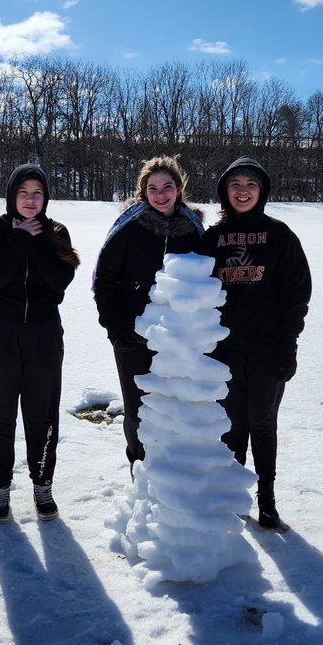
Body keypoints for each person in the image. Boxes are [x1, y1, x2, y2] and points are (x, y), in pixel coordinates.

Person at [202, 156, 311, 530]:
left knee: (262, 423)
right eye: (235, 184)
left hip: (268, 351)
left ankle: (266, 497)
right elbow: (194, 289)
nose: (242, 190)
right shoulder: (213, 238)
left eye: (250, 184)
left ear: (261, 190)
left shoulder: (280, 236)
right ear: (224, 191)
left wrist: (288, 345)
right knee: (232, 426)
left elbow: (296, 294)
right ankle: (235, 496)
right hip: (225, 351)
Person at [0, 164, 79, 523]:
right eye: (24, 192)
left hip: (43, 333)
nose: (31, 200)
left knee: (42, 413)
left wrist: (36, 240)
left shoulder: (56, 232)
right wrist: (19, 238)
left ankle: (42, 484)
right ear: (12, 195)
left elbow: (57, 283)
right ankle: (0, 489)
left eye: (37, 193)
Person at [94, 156, 204, 468]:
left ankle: (170, 474)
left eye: (167, 187)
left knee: (174, 404)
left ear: (179, 189)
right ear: (144, 191)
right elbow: (104, 280)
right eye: (152, 188)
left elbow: (206, 282)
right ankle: (139, 471)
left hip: (177, 337)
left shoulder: (193, 230)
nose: (160, 194)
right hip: (133, 336)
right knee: (137, 409)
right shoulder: (129, 227)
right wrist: (116, 331)